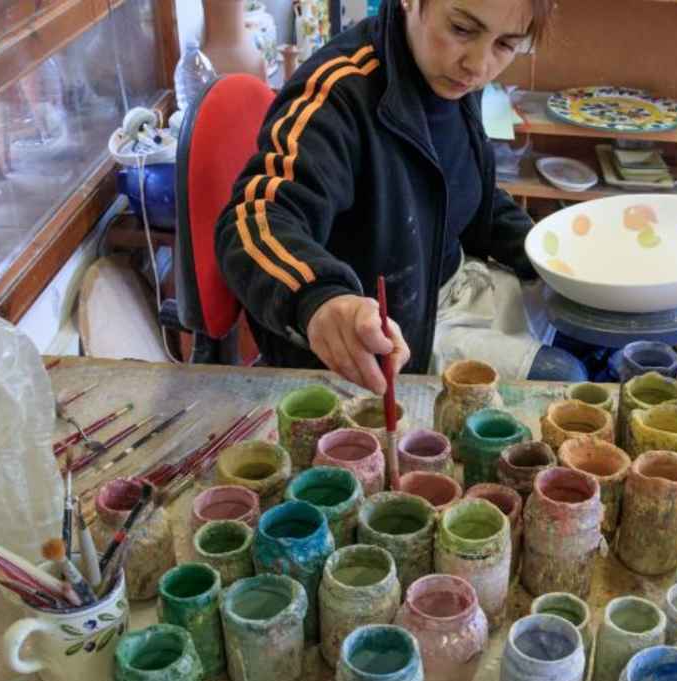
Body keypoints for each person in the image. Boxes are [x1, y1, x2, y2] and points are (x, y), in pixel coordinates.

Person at [215, 0, 579, 393]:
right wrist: (319, 298)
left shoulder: (452, 77)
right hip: (385, 332)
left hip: (448, 283)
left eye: (506, 44)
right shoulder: (337, 93)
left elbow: (467, 192)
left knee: (589, 330)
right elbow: (252, 220)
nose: (478, 66)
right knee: (563, 380)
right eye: (461, 29)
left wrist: (546, 255)